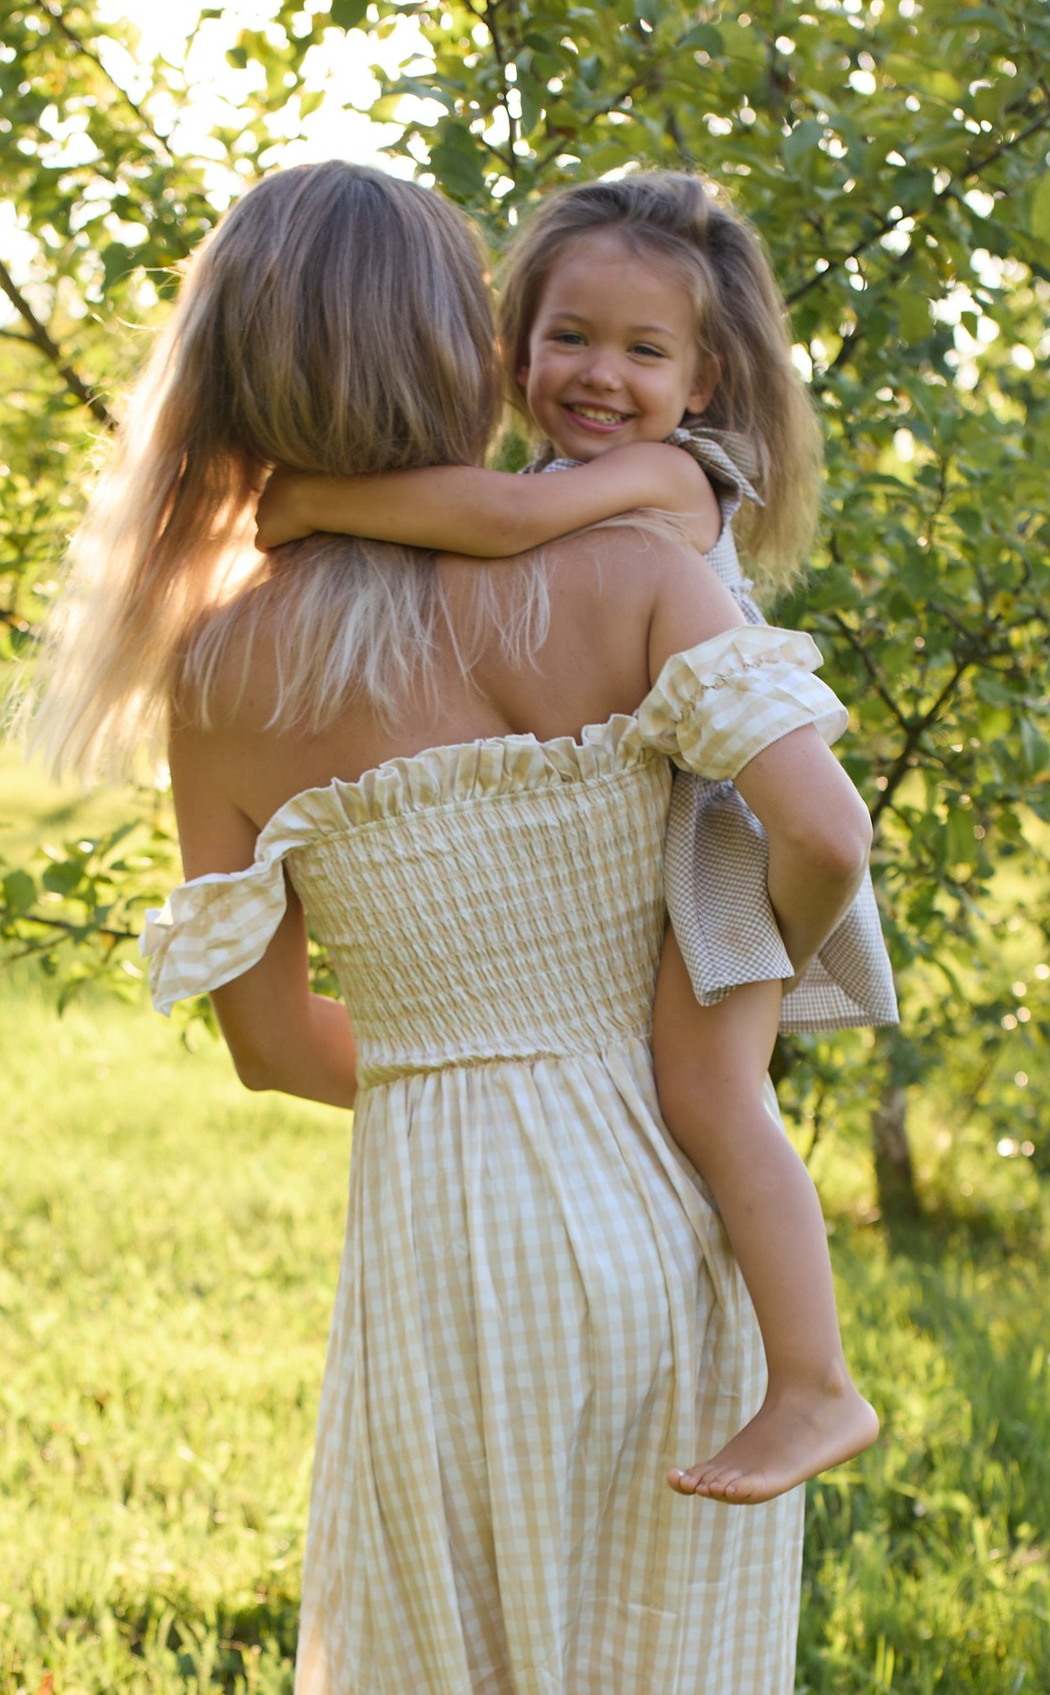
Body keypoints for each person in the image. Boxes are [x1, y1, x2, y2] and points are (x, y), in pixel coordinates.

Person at [29, 158, 899, 1695]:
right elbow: (811, 828)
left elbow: (259, 1046)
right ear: (464, 345)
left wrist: (452, 1078)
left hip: (443, 1230)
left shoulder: (219, 672)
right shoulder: (623, 566)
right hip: (661, 1201)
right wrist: (723, 1001)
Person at [256, 171, 890, 1507]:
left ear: (705, 379)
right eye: (568, 339)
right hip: (688, 823)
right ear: (512, 345)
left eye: (644, 351)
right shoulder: (575, 486)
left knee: (716, 1094)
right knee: (702, 1094)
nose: (601, 376)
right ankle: (808, 1379)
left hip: (728, 840)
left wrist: (316, 503)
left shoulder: (663, 480)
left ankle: (817, 1384)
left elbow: (490, 521)